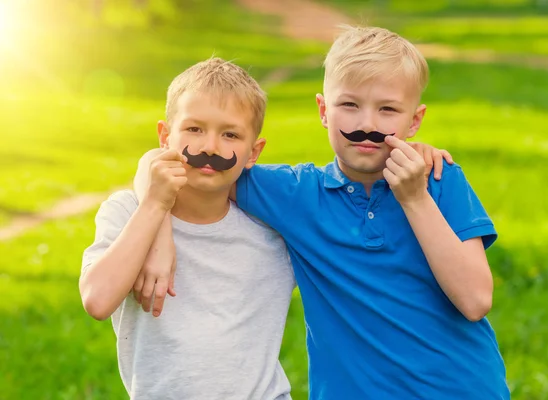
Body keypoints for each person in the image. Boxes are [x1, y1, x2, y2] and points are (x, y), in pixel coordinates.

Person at [136, 25, 508, 399]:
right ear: (323, 110)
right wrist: (160, 232)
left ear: (414, 120)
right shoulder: (295, 194)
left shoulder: (440, 180)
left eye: (388, 110)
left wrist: (415, 199)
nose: (367, 124)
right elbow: (174, 165)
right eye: (350, 105)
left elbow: (475, 300)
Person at [79, 57, 296, 399]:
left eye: (230, 134)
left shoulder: (275, 225)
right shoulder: (128, 212)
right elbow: (97, 300)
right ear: (165, 136)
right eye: (194, 129)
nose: (210, 146)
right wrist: (156, 213)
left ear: (254, 152)